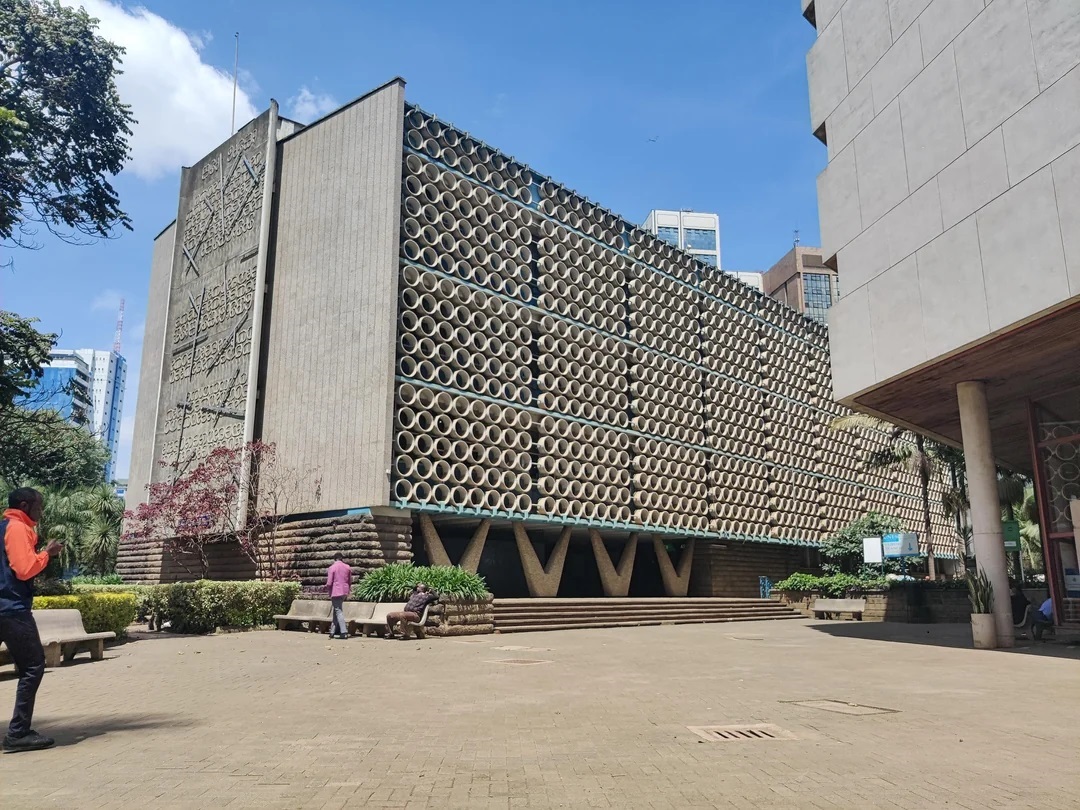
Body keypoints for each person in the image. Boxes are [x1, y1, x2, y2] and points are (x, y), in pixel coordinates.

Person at [0, 488, 63, 752]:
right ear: (24, 505)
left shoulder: (5, 526)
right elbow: (24, 569)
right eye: (39, 506)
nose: (41, 511)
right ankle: (18, 733)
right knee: (33, 666)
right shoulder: (16, 528)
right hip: (11, 609)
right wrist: (47, 553)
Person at [325, 552, 352, 640]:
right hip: (344, 591)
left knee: (338, 611)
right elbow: (350, 580)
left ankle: (343, 631)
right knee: (336, 610)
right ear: (341, 558)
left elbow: (329, 582)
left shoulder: (332, 567)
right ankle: (332, 631)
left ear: (334, 559)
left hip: (336, 591)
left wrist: (326, 588)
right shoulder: (347, 567)